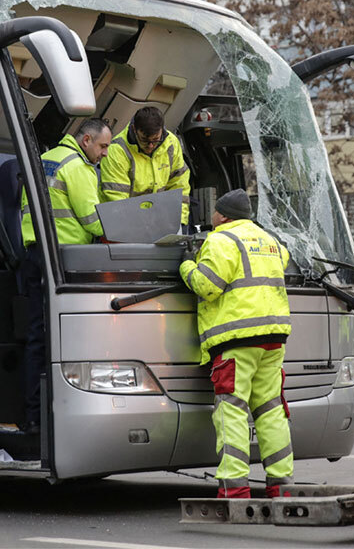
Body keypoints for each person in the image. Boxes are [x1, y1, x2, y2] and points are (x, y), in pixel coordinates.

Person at [179, 189, 293, 499]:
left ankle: (235, 488)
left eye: (215, 211)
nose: (212, 216)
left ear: (223, 215)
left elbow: (207, 286)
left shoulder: (219, 240)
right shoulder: (270, 241)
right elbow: (282, 261)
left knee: (231, 411)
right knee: (271, 410)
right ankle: (281, 486)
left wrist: (187, 265)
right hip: (274, 338)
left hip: (236, 340)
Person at [18, 118, 112, 433]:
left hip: (34, 253)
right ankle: (67, 415)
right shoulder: (78, 167)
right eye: (103, 146)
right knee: (71, 338)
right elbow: (94, 221)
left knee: (38, 337)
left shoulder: (44, 159)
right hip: (64, 259)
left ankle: (34, 415)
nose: (105, 153)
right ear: (86, 140)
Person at [101, 106, 192, 226]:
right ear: (134, 129)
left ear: (162, 129)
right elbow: (117, 200)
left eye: (155, 140)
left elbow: (180, 185)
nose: (150, 146)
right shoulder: (117, 151)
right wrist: (139, 228)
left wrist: (179, 222)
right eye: (144, 140)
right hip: (130, 224)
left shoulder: (171, 143)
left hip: (159, 222)